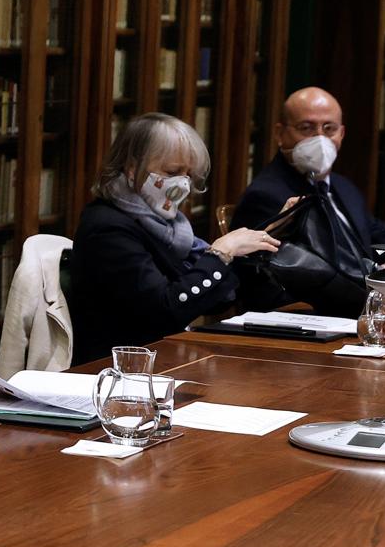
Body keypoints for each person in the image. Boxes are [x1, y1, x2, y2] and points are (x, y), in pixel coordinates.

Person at [70, 113, 280, 365]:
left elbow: (210, 300)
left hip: (159, 359)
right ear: (131, 168)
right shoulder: (107, 228)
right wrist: (219, 254)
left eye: (188, 175)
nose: (183, 184)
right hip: (114, 370)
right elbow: (166, 309)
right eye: (172, 171)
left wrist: (262, 241)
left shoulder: (164, 225)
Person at [232, 86, 385, 275]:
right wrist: (374, 274)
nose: (320, 138)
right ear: (280, 134)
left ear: (341, 134)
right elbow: (306, 268)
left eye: (329, 128)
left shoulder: (343, 187)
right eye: (306, 128)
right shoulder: (267, 195)